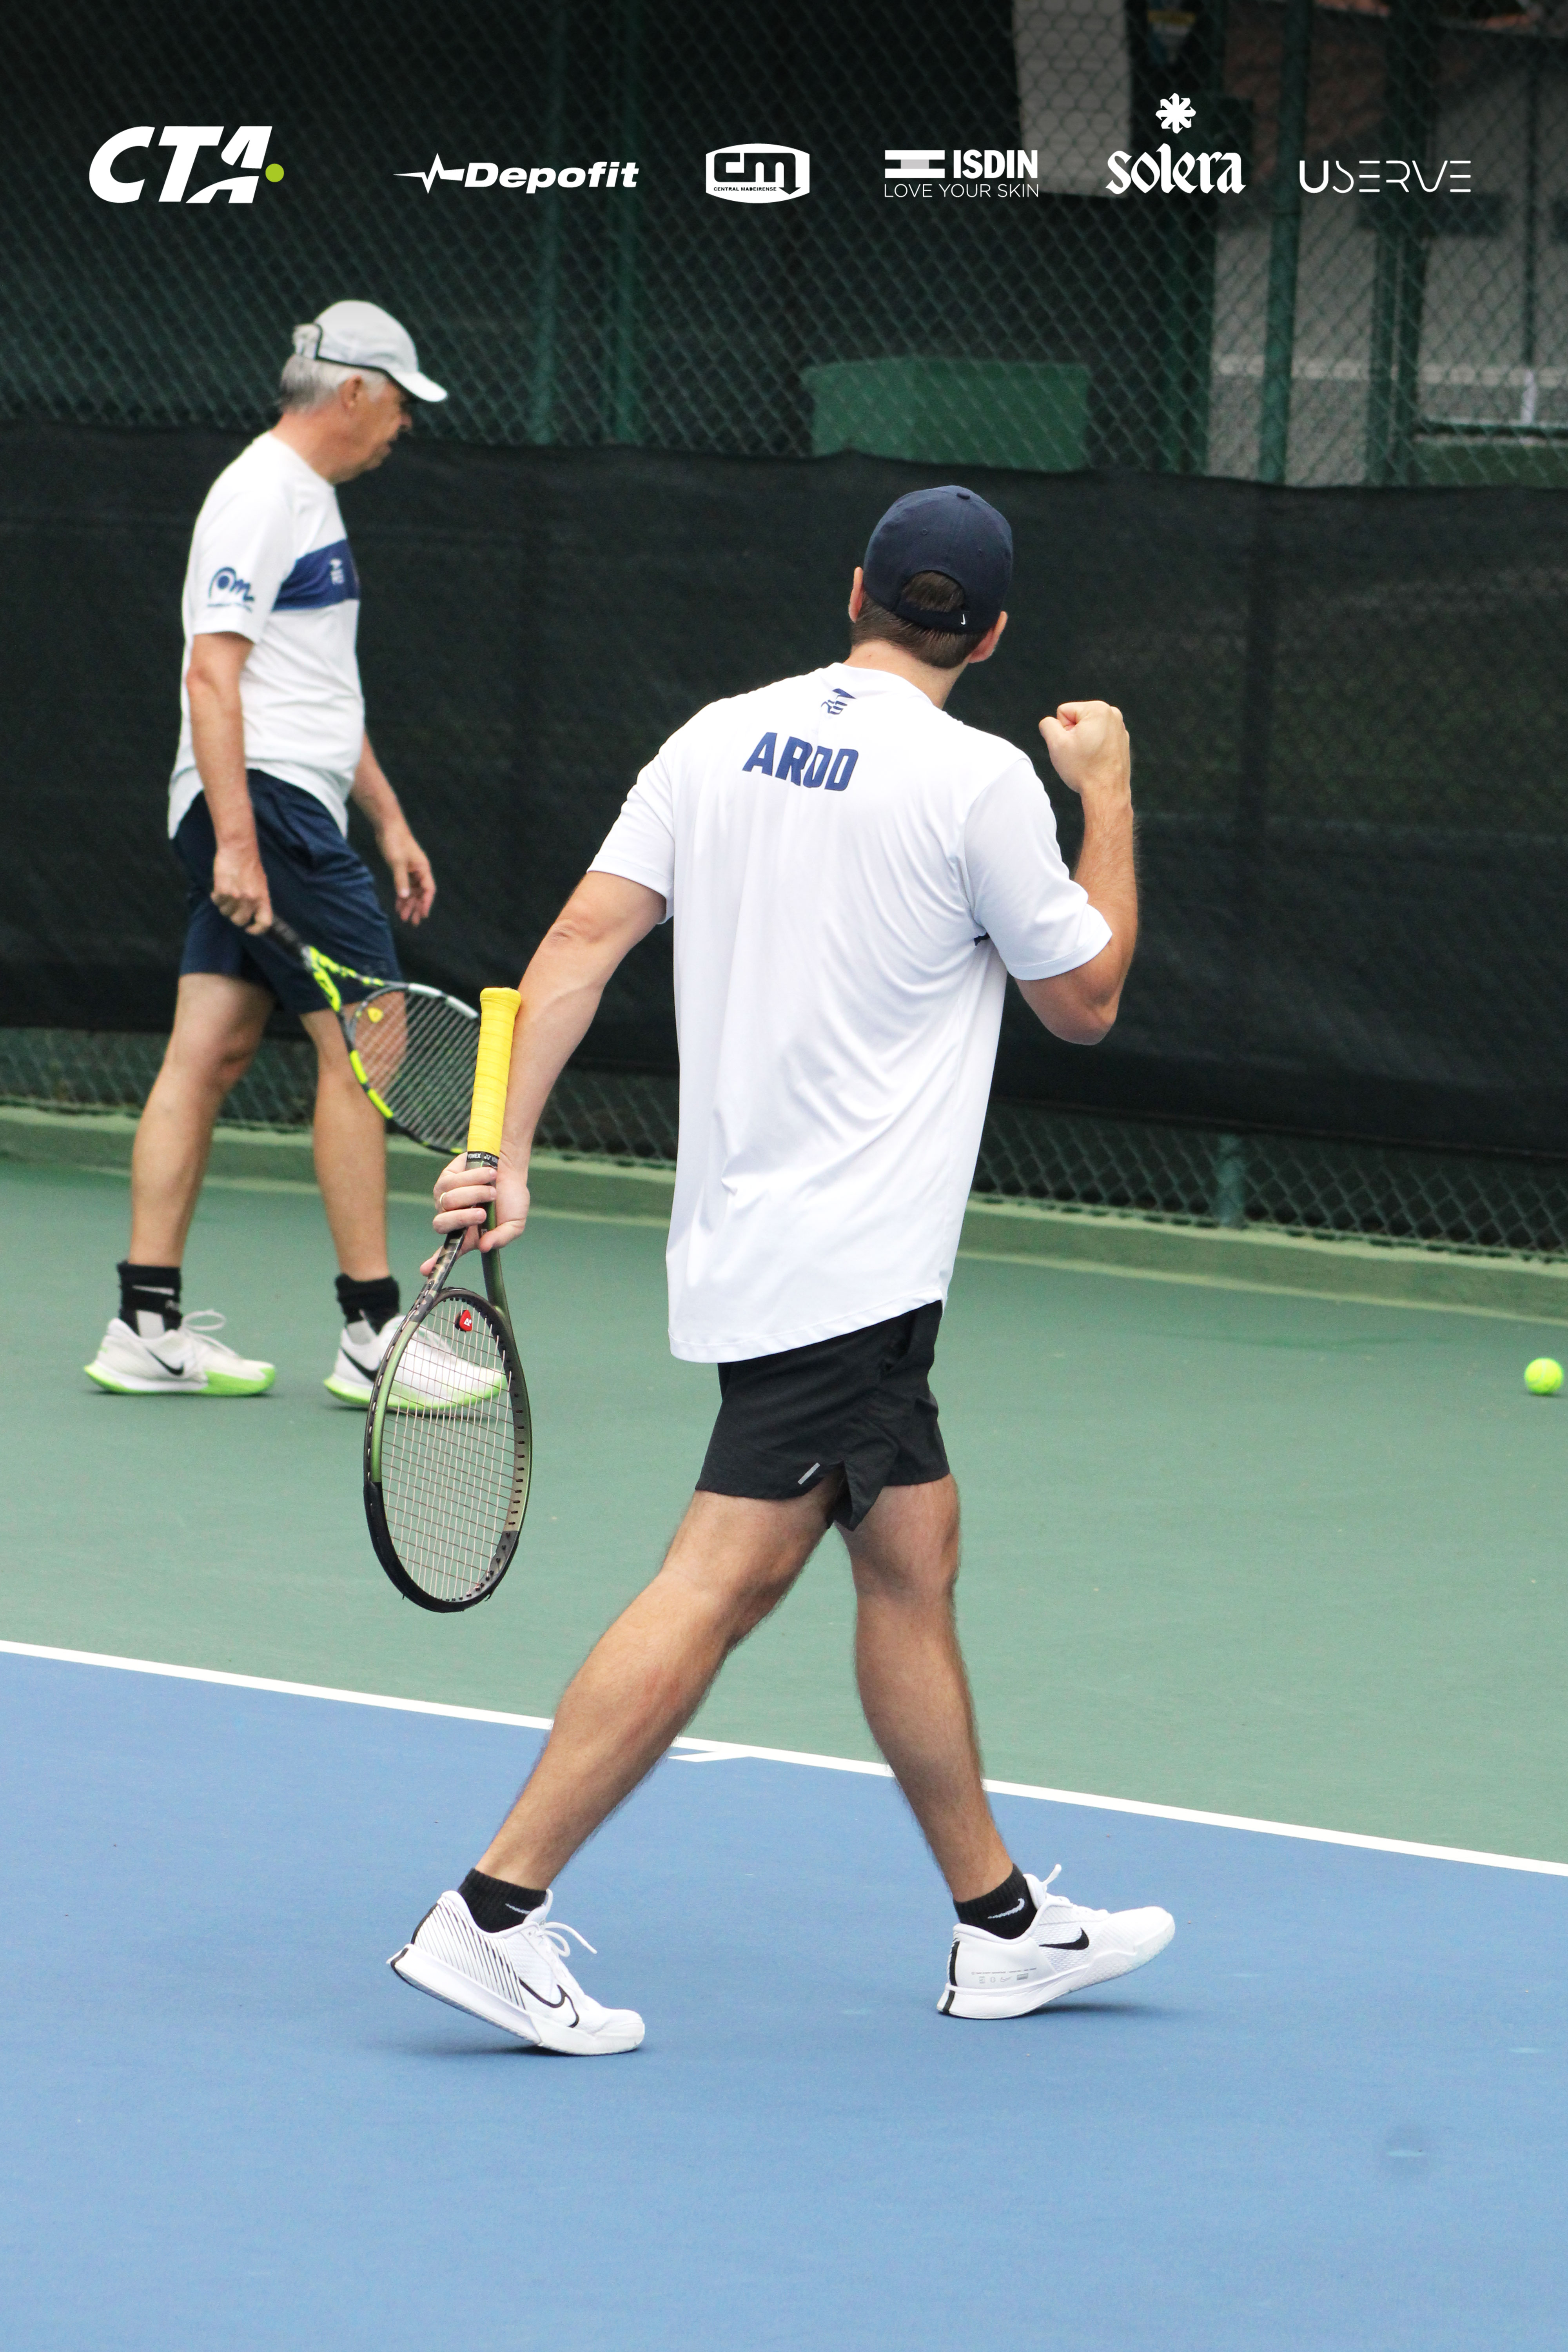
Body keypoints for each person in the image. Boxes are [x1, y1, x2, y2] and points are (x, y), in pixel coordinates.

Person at [390, 485, 1173, 2053]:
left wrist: (502, 1142)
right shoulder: (982, 783)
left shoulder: (714, 737)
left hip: (777, 1242)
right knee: (721, 1582)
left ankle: (1001, 1926)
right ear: (995, 633)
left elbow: (575, 949)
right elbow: (1084, 998)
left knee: (908, 1558)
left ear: (856, 592)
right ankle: (491, 1911)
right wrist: (1108, 794)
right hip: (844, 1265)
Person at [86, 302, 446, 1404]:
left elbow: (312, 686)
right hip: (268, 812)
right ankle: (375, 1333)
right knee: (368, 1051)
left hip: (286, 802)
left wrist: (384, 814)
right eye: (398, 404)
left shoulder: (310, 502)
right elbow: (214, 671)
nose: (403, 428)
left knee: (211, 1049)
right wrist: (240, 841)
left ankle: (144, 1324)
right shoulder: (262, 494)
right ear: (352, 393)